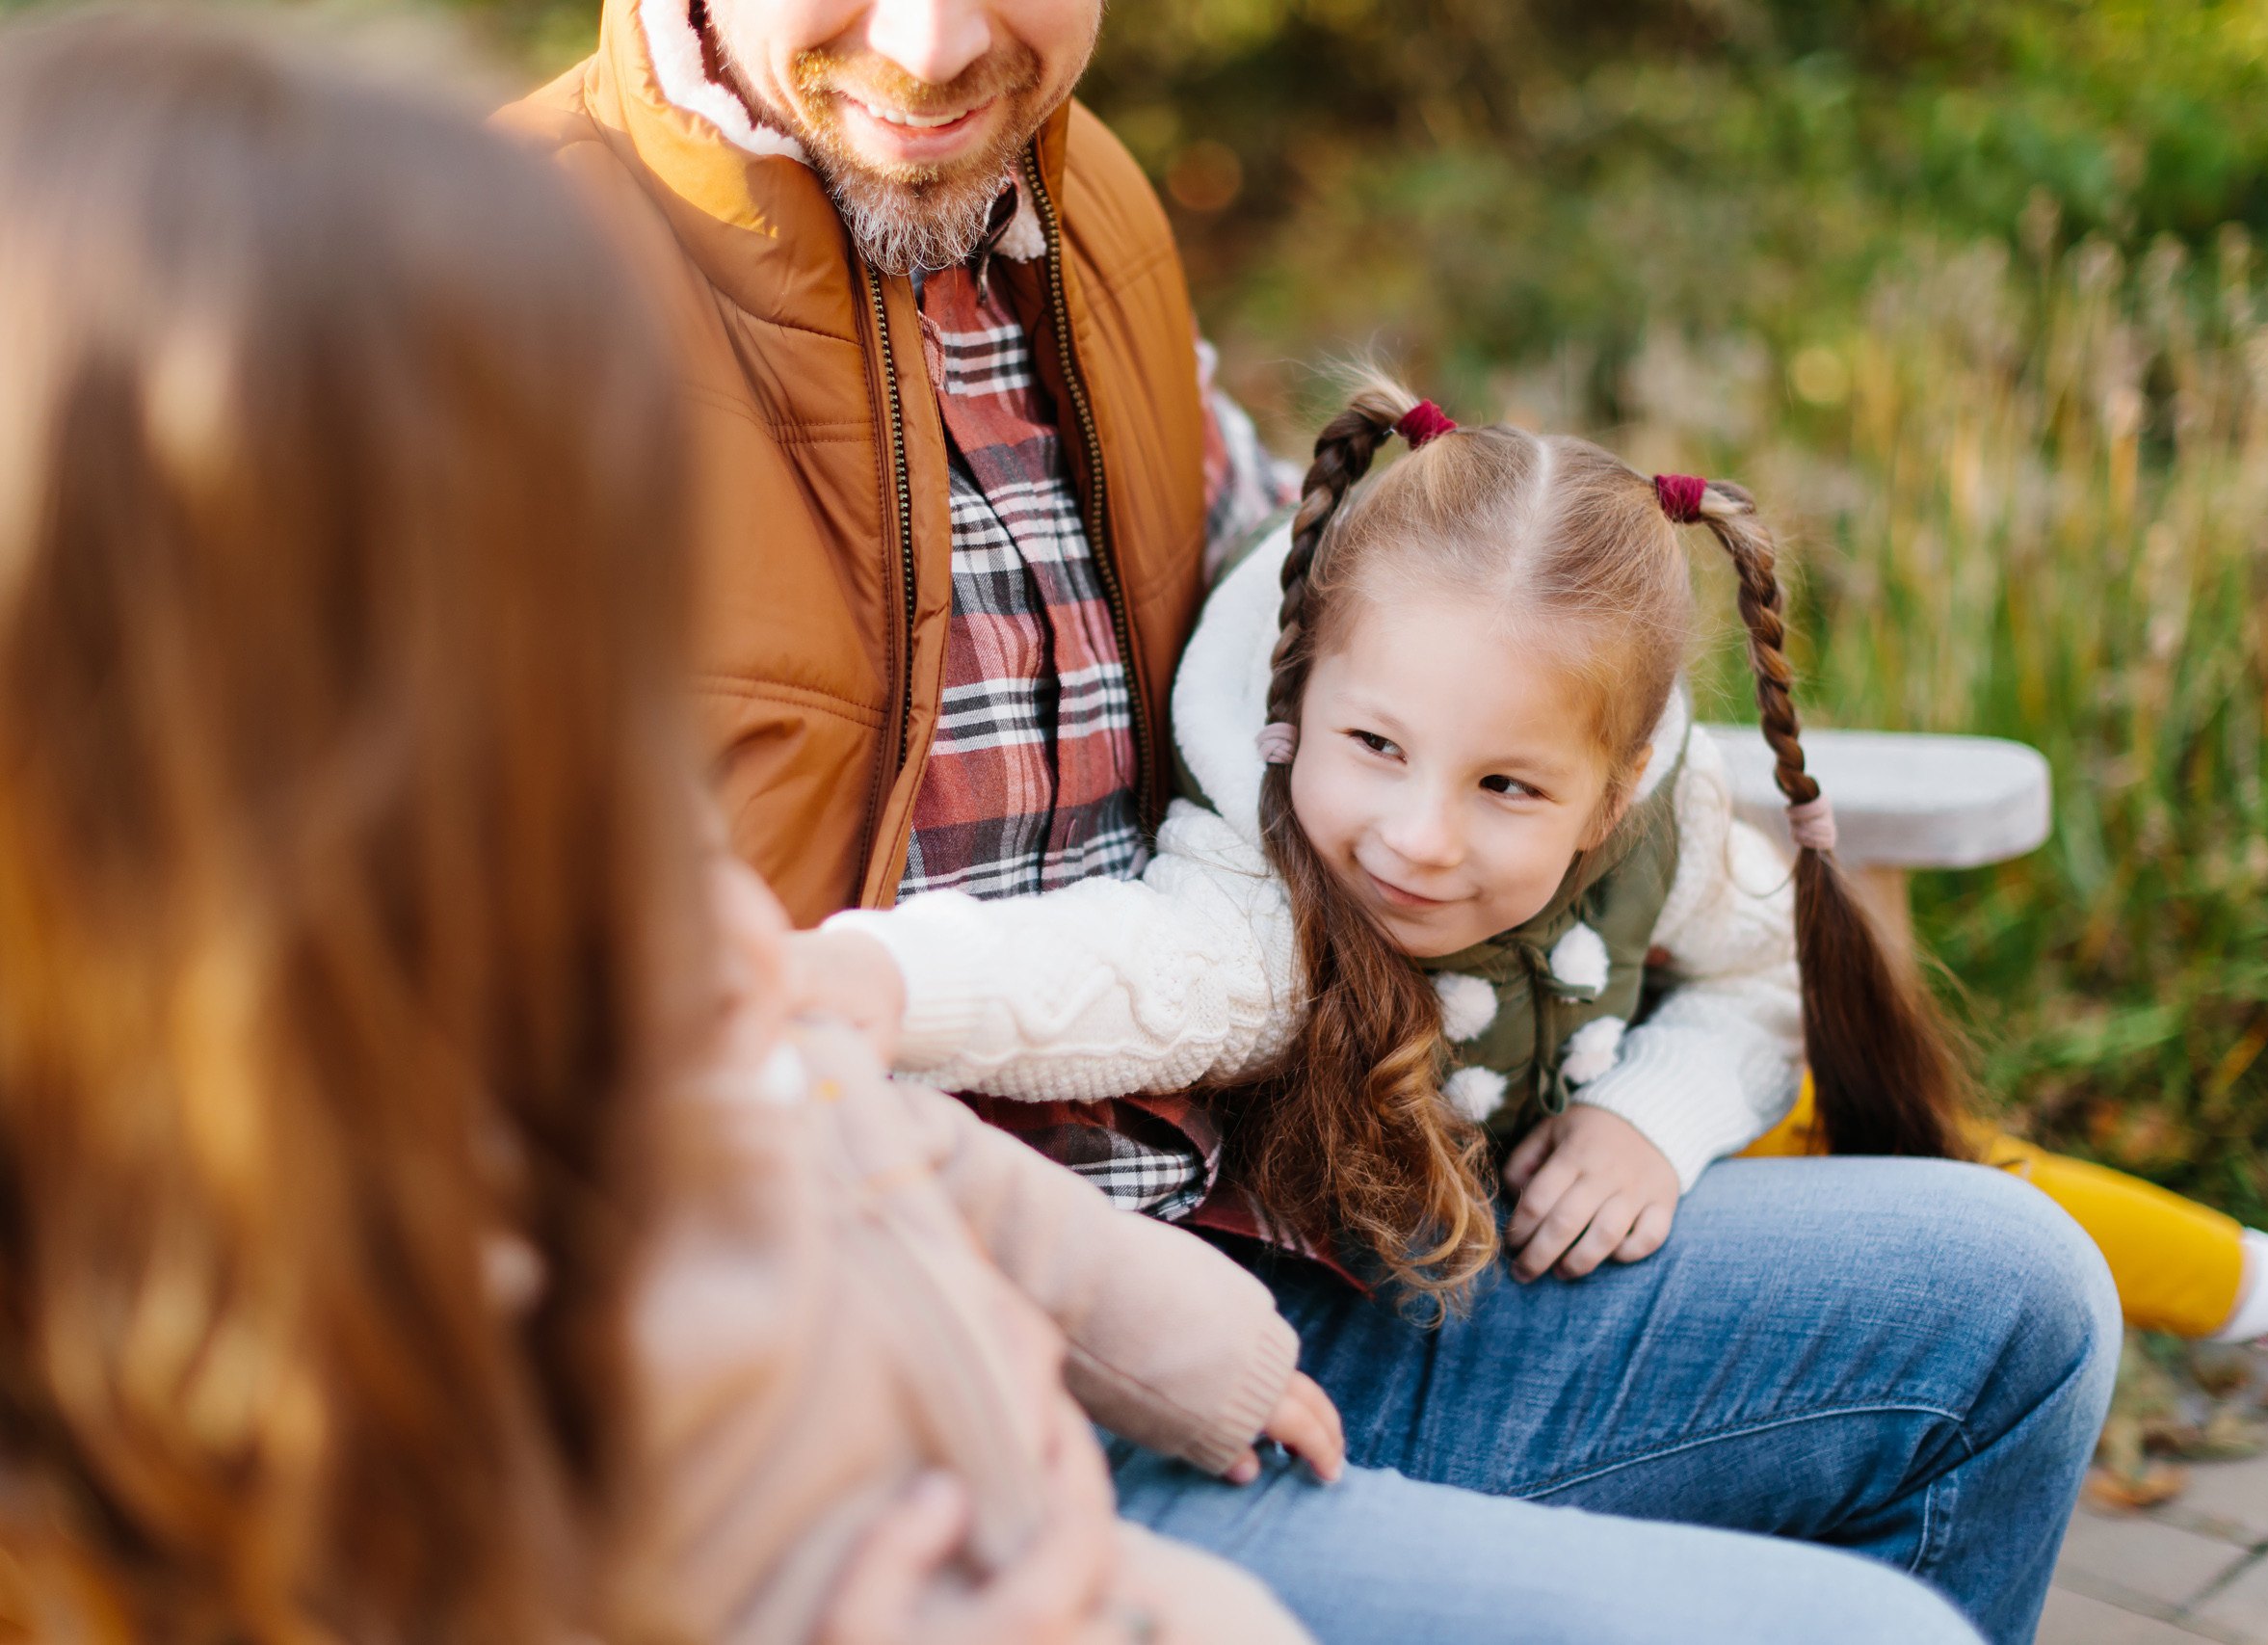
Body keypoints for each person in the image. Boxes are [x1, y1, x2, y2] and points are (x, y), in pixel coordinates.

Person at [504, 3, 2117, 1641]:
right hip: (912, 1402)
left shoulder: (1080, 201)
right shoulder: (484, 311)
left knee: (2007, 1297)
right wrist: (1070, 1309)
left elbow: (1335, 588)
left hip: (1296, 1252)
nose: (929, 46)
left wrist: (1584, 693)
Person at [0, 15, 1313, 1641]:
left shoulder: (1085, 208)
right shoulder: (225, 1250)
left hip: (1123, 1302)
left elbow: (806, 1094)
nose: (933, 36)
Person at [807, 379, 2268, 1448]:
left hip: (1629, 1165)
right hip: (1452, 1290)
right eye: (1375, 747)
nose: (1417, 840)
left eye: (1506, 790)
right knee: (1952, 1202)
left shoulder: (1664, 833)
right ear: (1303, 697)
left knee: (1956, 1175)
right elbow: (1104, 979)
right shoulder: (1276, 901)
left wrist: (1656, 1123)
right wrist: (869, 977)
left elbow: (1761, 993)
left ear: (1608, 796)